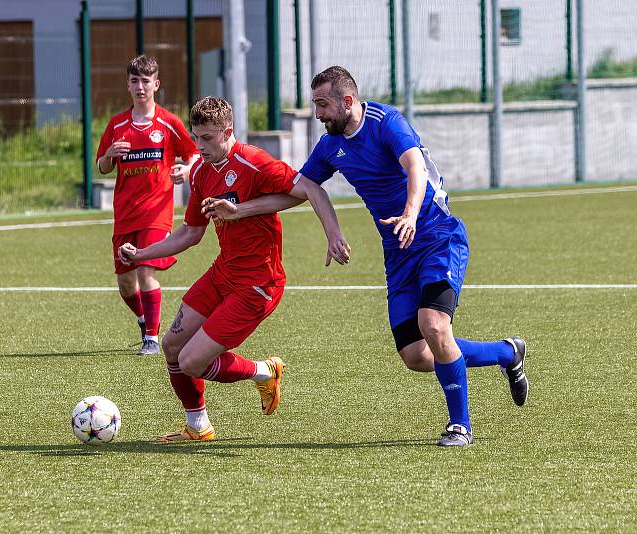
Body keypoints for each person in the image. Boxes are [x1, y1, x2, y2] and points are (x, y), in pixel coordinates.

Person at [202, 66, 529, 447]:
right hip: (399, 254)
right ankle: (507, 353)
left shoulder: (386, 121)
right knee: (417, 355)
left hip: (439, 237)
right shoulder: (329, 147)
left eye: (323, 105)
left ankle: (460, 426)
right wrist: (241, 210)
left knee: (434, 325)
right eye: (314, 105)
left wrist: (409, 213)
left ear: (347, 101)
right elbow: (302, 189)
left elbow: (415, 167)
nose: (318, 113)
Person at [119, 96, 350, 442]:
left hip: (258, 284)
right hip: (222, 273)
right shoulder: (199, 171)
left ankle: (264, 371)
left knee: (192, 361)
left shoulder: (253, 161)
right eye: (196, 137)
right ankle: (198, 426)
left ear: (227, 132)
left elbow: (308, 190)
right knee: (171, 347)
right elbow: (191, 233)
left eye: (207, 138)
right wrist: (141, 254)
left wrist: (333, 235)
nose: (200, 145)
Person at [96, 55, 199, 355]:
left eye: (146, 81)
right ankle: (144, 322)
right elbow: (102, 167)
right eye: (134, 81)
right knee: (126, 284)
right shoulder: (116, 126)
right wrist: (109, 155)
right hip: (125, 213)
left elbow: (192, 153)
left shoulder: (168, 122)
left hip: (157, 212)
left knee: (145, 270)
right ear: (128, 85)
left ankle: (152, 340)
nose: (140, 87)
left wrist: (187, 169)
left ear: (156, 84)